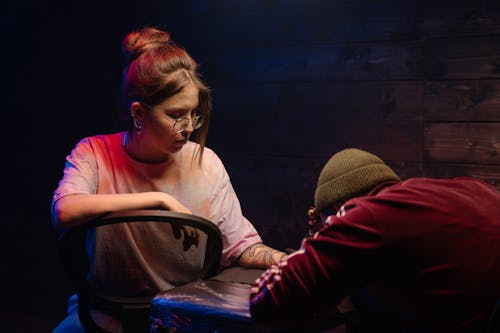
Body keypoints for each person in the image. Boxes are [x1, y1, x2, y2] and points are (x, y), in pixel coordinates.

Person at [51, 26, 286, 332]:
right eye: (176, 115)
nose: (189, 127)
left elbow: (238, 246)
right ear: (139, 113)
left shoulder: (206, 162)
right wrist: (161, 200)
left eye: (194, 114)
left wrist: (291, 260)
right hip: (104, 310)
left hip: (183, 312)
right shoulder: (94, 152)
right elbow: (65, 209)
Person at [250, 148, 500, 333]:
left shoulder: (368, 215)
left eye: (326, 225)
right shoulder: (474, 188)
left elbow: (269, 298)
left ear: (339, 211)